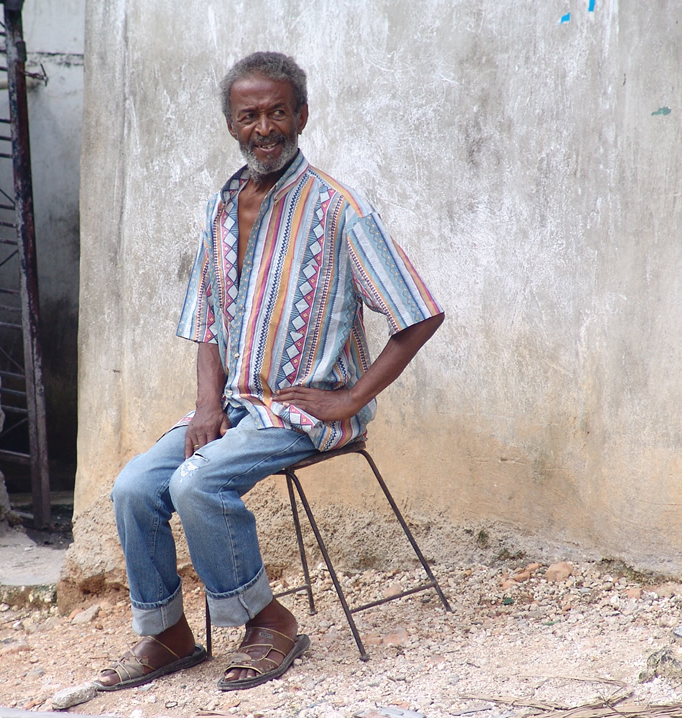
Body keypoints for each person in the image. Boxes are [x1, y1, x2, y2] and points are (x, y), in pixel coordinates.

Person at [96, 51, 444, 692]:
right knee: (135, 487)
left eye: (277, 112)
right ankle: (168, 633)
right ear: (231, 124)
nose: (265, 127)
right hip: (232, 404)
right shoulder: (221, 209)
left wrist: (347, 401)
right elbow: (209, 321)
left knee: (197, 483)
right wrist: (206, 406)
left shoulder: (339, 209)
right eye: (249, 115)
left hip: (300, 409)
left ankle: (269, 621)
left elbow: (418, 314)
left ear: (301, 116)